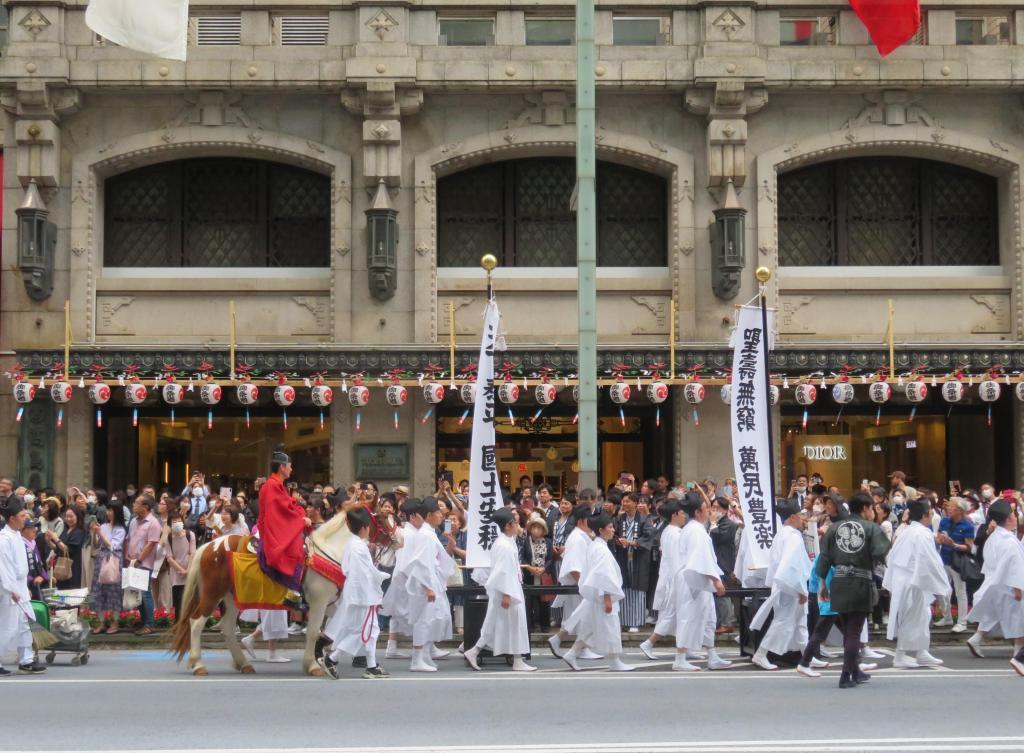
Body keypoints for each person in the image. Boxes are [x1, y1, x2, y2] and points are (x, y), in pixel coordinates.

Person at [816, 491, 890, 689]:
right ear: (865, 509)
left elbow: (824, 557)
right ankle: (846, 674)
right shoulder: (872, 528)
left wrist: (822, 583)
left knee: (848, 629)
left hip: (838, 582)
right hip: (861, 582)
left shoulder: (834, 528)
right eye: (872, 508)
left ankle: (855, 670)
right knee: (854, 631)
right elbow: (881, 552)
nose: (873, 512)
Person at [379, 498, 454, 672]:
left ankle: (425, 655)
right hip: (422, 581)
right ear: (429, 515)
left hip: (425, 579)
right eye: (438, 513)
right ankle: (418, 658)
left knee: (430, 618)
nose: (441, 516)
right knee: (423, 619)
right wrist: (427, 586)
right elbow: (421, 563)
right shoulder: (424, 535)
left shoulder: (426, 533)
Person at [317, 507, 390, 679]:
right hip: (363, 596)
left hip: (359, 594)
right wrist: (377, 583)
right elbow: (363, 575)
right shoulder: (358, 547)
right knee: (363, 631)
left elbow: (363, 572)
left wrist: (376, 575)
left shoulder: (355, 544)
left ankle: (372, 665)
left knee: (370, 630)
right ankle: (333, 658)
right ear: (364, 528)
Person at [558, 513, 636, 672]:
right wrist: (607, 597)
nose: (613, 530)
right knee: (610, 626)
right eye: (610, 527)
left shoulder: (596, 546)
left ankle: (572, 653)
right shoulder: (600, 549)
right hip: (603, 595)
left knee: (589, 627)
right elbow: (603, 574)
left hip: (596, 595)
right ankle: (614, 660)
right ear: (601, 530)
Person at [465, 508, 535, 672]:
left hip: (509, 589)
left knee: (498, 623)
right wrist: (506, 594)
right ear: (510, 525)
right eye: (515, 522)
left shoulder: (506, 541)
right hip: (507, 590)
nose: (518, 525)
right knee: (512, 624)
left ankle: (475, 651)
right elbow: (503, 571)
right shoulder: (503, 544)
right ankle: (516, 660)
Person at [883, 499, 951, 668]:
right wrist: (941, 583)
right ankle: (900, 655)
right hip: (913, 581)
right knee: (912, 617)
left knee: (922, 615)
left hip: (907, 579)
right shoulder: (921, 533)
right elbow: (929, 560)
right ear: (925, 515)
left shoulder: (908, 531)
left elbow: (892, 557)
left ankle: (922, 651)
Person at [672, 493, 731, 672]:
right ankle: (680, 658)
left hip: (698, 579)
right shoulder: (695, 530)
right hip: (694, 580)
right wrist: (716, 580)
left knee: (709, 619)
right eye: (706, 509)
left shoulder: (694, 528)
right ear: (698, 512)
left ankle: (712, 655)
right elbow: (702, 558)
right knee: (689, 618)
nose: (709, 512)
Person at [751, 498, 812, 671]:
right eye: (800, 515)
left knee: (800, 621)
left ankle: (806, 655)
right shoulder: (792, 536)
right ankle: (761, 654)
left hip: (785, 584)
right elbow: (791, 565)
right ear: (792, 517)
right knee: (783, 621)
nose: (803, 518)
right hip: (790, 585)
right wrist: (800, 590)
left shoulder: (782, 534)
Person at [965, 500, 1024, 674]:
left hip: (995, 582)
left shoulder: (994, 537)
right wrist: (1018, 588)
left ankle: (977, 638)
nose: (1015, 517)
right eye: (1013, 515)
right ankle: (1018, 655)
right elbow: (1015, 567)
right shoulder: (1009, 541)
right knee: (1017, 620)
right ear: (1008, 519)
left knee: (995, 614)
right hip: (1008, 585)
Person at [256, 449, 311, 607]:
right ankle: (293, 593)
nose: (291, 469)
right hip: (271, 532)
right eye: (290, 466)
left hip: (273, 527)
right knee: (295, 549)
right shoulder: (272, 485)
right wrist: (301, 520)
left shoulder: (276, 485)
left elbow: (287, 506)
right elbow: (281, 513)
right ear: (282, 467)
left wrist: (299, 511)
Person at [548, 505, 602, 660]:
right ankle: (579, 648)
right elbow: (574, 566)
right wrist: (583, 586)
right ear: (582, 521)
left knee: (578, 617)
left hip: (580, 584)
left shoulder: (580, 537)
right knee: (582, 617)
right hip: (577, 584)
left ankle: (559, 640)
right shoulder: (578, 538)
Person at [0, 498, 46, 675]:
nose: (25, 517)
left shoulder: (17, 535)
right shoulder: (4, 540)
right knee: (8, 626)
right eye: (21, 515)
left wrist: (22, 586)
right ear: (12, 518)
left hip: (19, 585)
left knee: (26, 623)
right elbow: (4, 567)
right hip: (9, 588)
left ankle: (26, 659)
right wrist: (10, 589)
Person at [639, 499, 686, 659]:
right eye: (681, 513)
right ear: (674, 515)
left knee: (679, 616)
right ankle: (649, 643)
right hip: (674, 581)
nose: (684, 515)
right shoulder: (673, 533)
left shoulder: (670, 531)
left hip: (672, 579)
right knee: (671, 615)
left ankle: (686, 647)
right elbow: (675, 561)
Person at [935, 497, 975, 634]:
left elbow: (969, 547)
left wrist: (954, 545)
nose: (948, 509)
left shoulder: (968, 526)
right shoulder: (944, 521)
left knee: (960, 591)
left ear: (960, 510)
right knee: (942, 589)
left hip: (958, 562)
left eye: (951, 507)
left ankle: (962, 622)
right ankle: (947, 617)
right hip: (944, 559)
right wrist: (941, 539)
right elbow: (939, 538)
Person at [613, 492, 652, 633]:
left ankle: (635, 621)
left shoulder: (644, 519)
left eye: (628, 501)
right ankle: (623, 621)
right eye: (623, 501)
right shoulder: (619, 519)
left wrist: (632, 542)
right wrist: (617, 540)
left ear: (635, 503)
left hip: (638, 557)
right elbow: (613, 534)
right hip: (623, 557)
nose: (624, 504)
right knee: (624, 588)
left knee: (637, 589)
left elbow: (649, 535)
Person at [126, 495, 162, 635]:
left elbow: (151, 544)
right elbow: (129, 539)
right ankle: (143, 621)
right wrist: (127, 555)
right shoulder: (134, 521)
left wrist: (139, 560)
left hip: (144, 562)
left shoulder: (153, 522)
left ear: (145, 507)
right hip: (132, 562)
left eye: (136, 503)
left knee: (145, 592)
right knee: (137, 593)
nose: (133, 505)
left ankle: (149, 624)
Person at [90, 502, 126, 633]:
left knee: (114, 591)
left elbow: (113, 546)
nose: (108, 513)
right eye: (108, 510)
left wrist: (100, 533)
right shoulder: (103, 526)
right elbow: (95, 545)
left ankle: (115, 623)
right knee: (99, 591)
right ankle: (101, 623)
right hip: (101, 559)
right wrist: (95, 533)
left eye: (111, 510)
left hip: (115, 560)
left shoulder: (121, 529)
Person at [709, 496, 739, 632]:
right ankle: (720, 621)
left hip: (724, 563)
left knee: (723, 593)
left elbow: (719, 538)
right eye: (713, 507)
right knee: (716, 593)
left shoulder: (729, 524)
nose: (714, 510)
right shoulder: (713, 523)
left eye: (717, 508)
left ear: (725, 510)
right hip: (714, 561)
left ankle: (727, 623)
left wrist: (713, 524)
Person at [519, 517, 554, 633]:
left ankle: (545, 625)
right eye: (534, 527)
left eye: (539, 528)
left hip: (544, 575)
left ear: (543, 530)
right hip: (529, 574)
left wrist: (544, 568)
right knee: (529, 601)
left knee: (544, 601)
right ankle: (530, 625)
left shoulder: (548, 542)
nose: (536, 530)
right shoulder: (525, 541)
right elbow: (522, 557)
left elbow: (550, 559)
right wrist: (529, 567)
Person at [164, 508, 196, 619]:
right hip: (176, 575)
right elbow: (169, 558)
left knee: (190, 601)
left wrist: (188, 570)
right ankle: (178, 626)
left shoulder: (190, 535)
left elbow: (193, 553)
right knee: (178, 602)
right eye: (174, 521)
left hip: (190, 573)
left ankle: (189, 625)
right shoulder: (168, 538)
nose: (177, 523)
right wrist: (181, 570)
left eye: (178, 520)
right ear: (169, 524)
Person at [55, 507, 86, 589]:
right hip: (62, 566)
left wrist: (56, 539)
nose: (68, 519)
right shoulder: (66, 529)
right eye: (67, 516)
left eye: (71, 516)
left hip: (72, 566)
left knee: (70, 591)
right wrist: (49, 541)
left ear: (78, 517)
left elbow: (68, 549)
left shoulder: (79, 531)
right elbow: (57, 548)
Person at [21, 520, 47, 601]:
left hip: (38, 583)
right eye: (31, 528)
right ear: (23, 530)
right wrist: (31, 579)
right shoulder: (20, 544)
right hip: (27, 585)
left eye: (35, 527)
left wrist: (44, 576)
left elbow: (40, 562)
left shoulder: (33, 543)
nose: (35, 530)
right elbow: (19, 568)